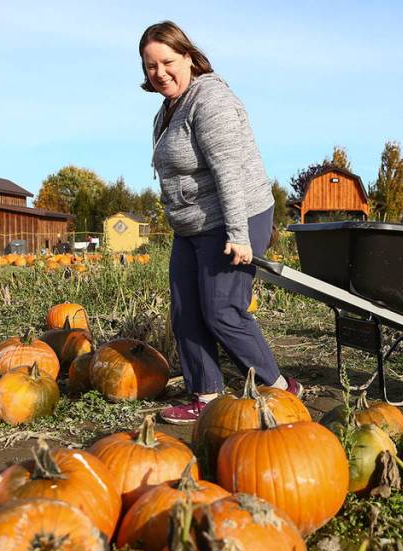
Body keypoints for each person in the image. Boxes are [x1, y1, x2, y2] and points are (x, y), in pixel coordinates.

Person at [140, 20, 301, 424]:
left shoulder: (210, 99)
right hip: (192, 227)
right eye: (151, 66)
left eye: (167, 62)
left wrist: (238, 234)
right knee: (186, 312)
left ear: (189, 57)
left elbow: (228, 172)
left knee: (222, 310)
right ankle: (206, 395)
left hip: (235, 217)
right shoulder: (169, 108)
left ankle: (282, 388)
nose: (160, 73)